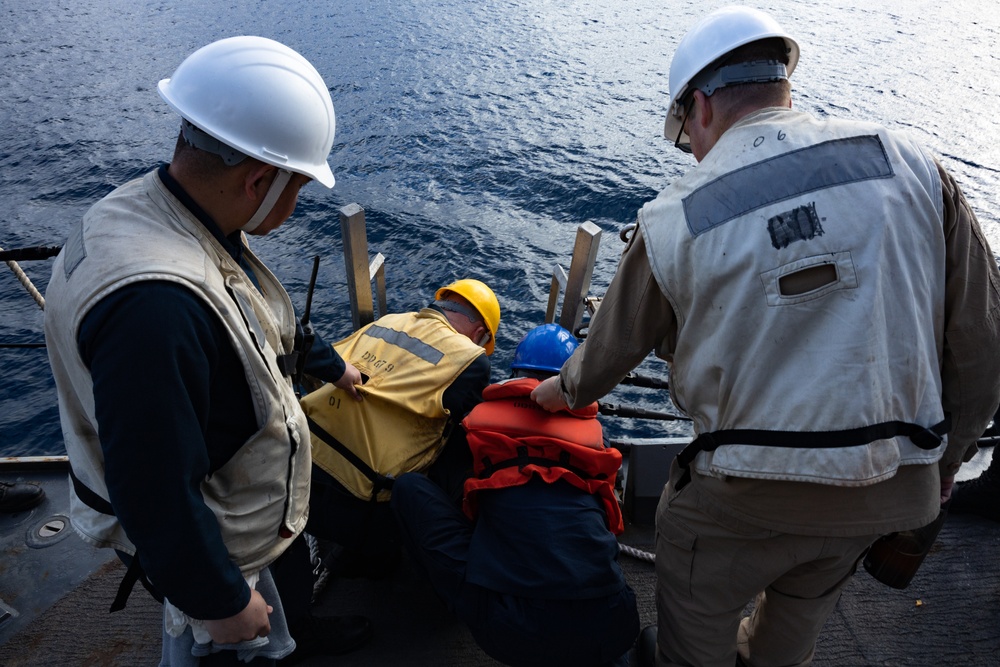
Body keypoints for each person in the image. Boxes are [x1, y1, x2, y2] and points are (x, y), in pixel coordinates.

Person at [531, 6, 1000, 667]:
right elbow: (981, 341)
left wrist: (554, 391)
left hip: (742, 494)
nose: (692, 151)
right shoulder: (915, 167)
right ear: (784, 86)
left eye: (684, 134)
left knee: (693, 622)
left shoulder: (675, 215)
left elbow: (604, 357)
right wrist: (946, 465)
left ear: (700, 107)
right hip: (893, 483)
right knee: (799, 615)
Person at [43, 36, 371, 666]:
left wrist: (334, 367)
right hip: (220, 546)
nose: (295, 205)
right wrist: (219, 600)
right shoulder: (154, 309)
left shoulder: (157, 209)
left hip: (246, 519)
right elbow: (153, 488)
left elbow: (254, 322)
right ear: (257, 180)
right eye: (296, 188)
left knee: (287, 599)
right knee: (232, 649)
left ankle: (295, 629)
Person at [391, 324, 639, 667]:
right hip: (614, 620)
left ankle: (442, 606)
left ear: (516, 374)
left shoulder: (475, 427)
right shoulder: (597, 441)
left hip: (512, 631)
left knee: (409, 488)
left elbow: (459, 498)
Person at [300, 279, 498, 576]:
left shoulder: (389, 321)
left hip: (301, 466)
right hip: (360, 501)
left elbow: (323, 365)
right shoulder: (470, 359)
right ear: (480, 334)